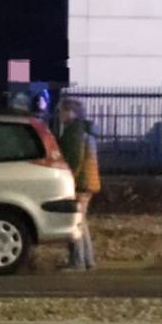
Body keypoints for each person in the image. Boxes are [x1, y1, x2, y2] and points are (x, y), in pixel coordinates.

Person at [57, 96, 101, 271]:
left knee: (74, 221)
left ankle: (78, 262)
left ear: (70, 112)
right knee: (81, 221)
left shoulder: (73, 132)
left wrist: (68, 180)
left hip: (79, 182)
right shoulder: (84, 130)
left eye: (61, 111)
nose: (59, 115)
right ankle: (88, 260)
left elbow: (74, 158)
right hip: (88, 180)